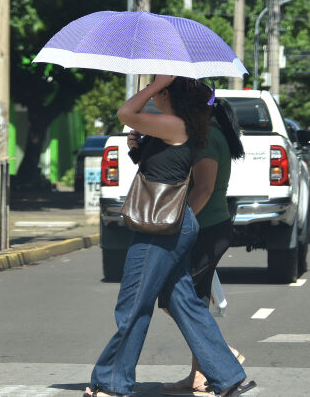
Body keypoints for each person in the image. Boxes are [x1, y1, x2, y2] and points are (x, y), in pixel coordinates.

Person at [84, 76, 255, 397]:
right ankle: (228, 375)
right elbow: (161, 171)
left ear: (168, 94)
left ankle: (111, 382)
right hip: (171, 222)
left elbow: (124, 112)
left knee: (133, 303)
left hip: (163, 226)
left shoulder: (175, 124)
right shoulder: (174, 126)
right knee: (183, 303)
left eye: (158, 90)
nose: (151, 95)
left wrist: (153, 84)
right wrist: (138, 151)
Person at [160, 99, 247, 395]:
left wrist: (181, 223)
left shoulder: (207, 139)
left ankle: (225, 354)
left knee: (175, 297)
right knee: (192, 301)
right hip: (212, 227)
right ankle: (198, 376)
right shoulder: (211, 134)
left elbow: (205, 187)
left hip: (205, 230)